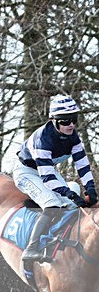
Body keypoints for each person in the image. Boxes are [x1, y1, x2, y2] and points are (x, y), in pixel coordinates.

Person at [14, 94, 97, 261]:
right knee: (53, 205)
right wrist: (70, 195)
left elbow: (82, 166)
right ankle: (31, 248)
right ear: (54, 120)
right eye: (66, 121)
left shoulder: (74, 137)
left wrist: (90, 189)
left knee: (72, 194)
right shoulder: (42, 138)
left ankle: (59, 239)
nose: (71, 124)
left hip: (46, 171)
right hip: (27, 172)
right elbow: (47, 177)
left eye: (74, 119)